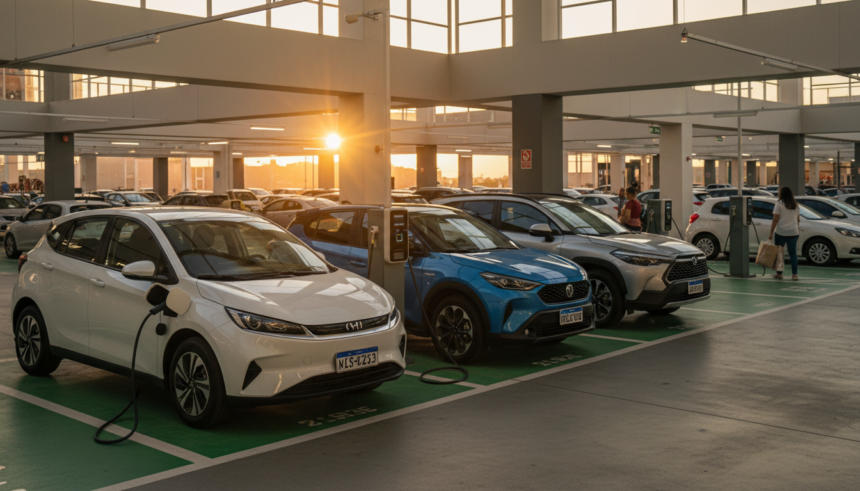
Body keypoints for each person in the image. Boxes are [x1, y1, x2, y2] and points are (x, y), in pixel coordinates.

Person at [769, 186, 801, 281]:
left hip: (781, 232)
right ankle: (794, 275)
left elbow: (775, 219)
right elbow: (798, 219)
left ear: (781, 194)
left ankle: (779, 274)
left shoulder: (779, 204)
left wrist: (771, 233)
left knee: (779, 253)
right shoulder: (795, 205)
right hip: (794, 232)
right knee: (793, 253)